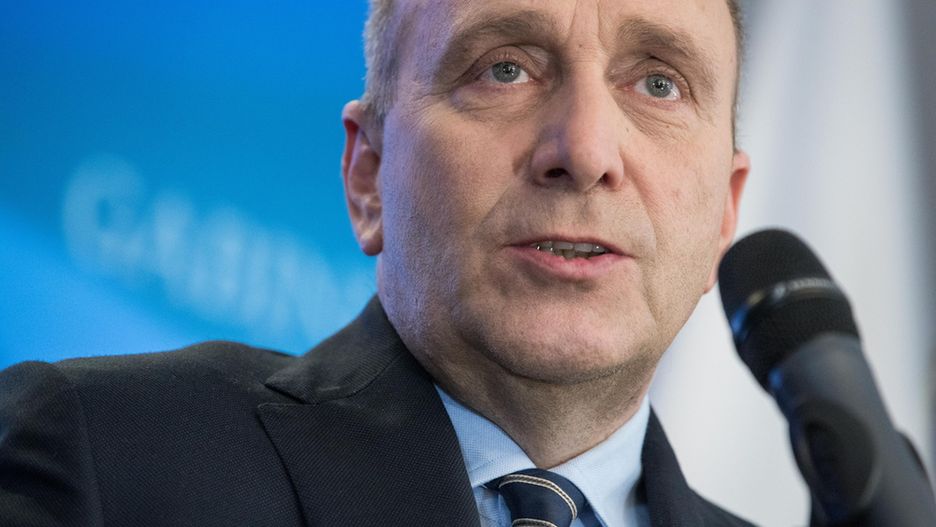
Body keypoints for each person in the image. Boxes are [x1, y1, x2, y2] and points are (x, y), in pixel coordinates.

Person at [0, 0, 751, 525]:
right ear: (368, 175)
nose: (584, 152)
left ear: (726, 210)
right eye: (504, 69)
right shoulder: (105, 457)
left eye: (660, 84)